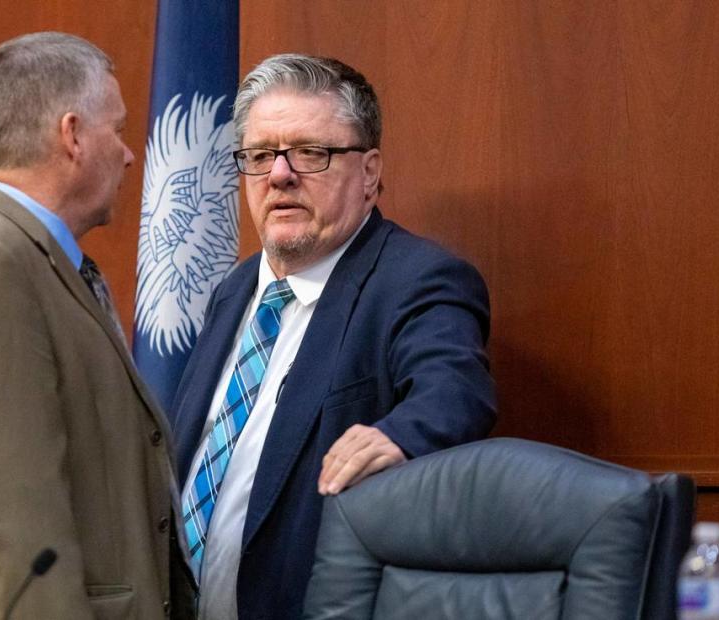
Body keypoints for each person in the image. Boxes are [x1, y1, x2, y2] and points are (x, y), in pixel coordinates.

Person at [170, 54, 497, 620]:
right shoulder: (233, 291)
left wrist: (399, 435)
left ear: (369, 172)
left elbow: (457, 391)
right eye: (259, 155)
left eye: (310, 153)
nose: (279, 175)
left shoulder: (415, 279)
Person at [0, 32, 193, 619]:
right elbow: (19, 530)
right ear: (73, 135)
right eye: (119, 129)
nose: (131, 154)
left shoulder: (23, 256)